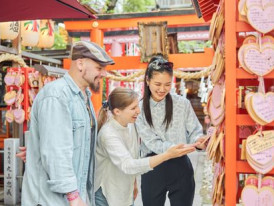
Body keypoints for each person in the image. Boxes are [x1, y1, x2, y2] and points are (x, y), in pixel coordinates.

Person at [21, 40, 114, 206]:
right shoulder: (57, 95)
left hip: (75, 194)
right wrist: (73, 196)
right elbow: (56, 151)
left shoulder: (84, 96)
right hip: (53, 200)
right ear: (80, 64)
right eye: (99, 68)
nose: (104, 74)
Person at [94, 87, 197, 206]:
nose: (138, 111)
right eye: (133, 108)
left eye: (137, 106)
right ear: (117, 111)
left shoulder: (130, 124)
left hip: (123, 188)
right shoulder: (108, 134)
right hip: (106, 192)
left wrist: (133, 184)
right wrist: (167, 155)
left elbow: (133, 156)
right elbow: (128, 165)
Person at [135, 56, 207, 206]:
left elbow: (194, 130)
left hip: (180, 167)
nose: (162, 89)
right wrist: (172, 149)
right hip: (153, 166)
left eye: (167, 84)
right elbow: (150, 141)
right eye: (157, 84)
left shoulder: (182, 103)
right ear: (147, 81)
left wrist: (198, 140)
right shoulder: (139, 108)